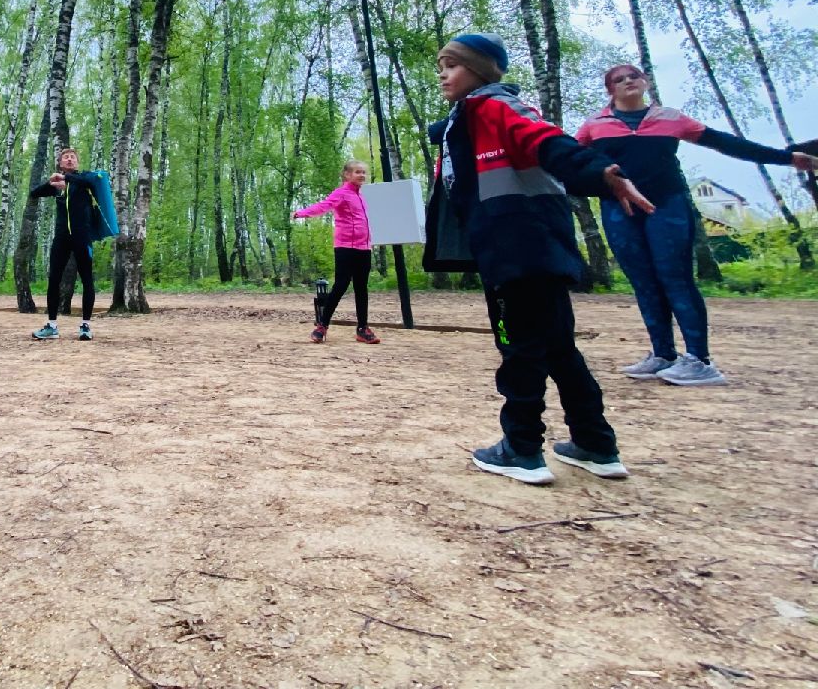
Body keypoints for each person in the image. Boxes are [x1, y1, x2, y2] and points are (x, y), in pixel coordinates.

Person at [423, 33, 653, 486]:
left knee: (519, 348)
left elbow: (547, 141)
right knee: (559, 348)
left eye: (451, 66)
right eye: (441, 68)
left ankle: (522, 447)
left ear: (480, 71)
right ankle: (595, 442)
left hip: (513, 247)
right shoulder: (472, 118)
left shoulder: (493, 107)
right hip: (535, 244)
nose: (443, 76)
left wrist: (601, 173)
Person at [576, 64, 817, 387]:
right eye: (619, 80)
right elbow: (568, 158)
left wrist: (787, 159)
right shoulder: (595, 125)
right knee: (643, 281)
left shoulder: (671, 118)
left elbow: (726, 143)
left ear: (645, 82)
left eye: (634, 76)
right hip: (619, 210)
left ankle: (700, 361)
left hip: (667, 206)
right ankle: (663, 354)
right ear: (610, 91)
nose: (628, 81)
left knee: (675, 277)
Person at [292, 160, 379, 344]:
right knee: (340, 286)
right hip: (345, 247)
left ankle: (363, 329)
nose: (362, 175)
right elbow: (324, 206)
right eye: (357, 172)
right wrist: (302, 213)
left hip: (364, 248)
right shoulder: (341, 193)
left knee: (361, 288)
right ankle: (322, 326)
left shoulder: (361, 196)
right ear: (347, 175)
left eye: (363, 172)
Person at [30, 146, 100, 341]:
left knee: (87, 279)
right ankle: (51, 327)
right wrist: (51, 182)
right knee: (54, 280)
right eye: (65, 157)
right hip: (61, 238)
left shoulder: (84, 179)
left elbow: (90, 181)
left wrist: (66, 179)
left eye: (72, 157)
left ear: (77, 163)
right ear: (60, 163)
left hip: (82, 236)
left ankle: (85, 326)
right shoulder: (57, 186)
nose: (69, 159)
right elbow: (35, 192)